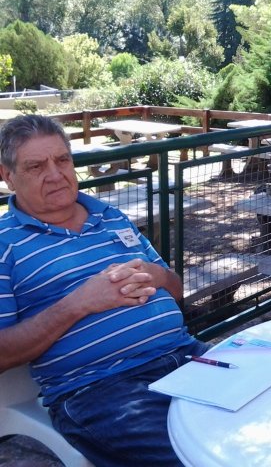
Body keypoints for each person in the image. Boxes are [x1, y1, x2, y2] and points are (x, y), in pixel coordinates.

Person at [0, 114, 207, 466]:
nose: (56, 174)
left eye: (62, 160)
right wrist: (79, 304)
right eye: (36, 166)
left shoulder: (111, 217)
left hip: (185, 355)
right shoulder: (6, 245)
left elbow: (176, 290)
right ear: (8, 176)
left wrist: (157, 275)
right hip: (101, 390)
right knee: (203, 458)